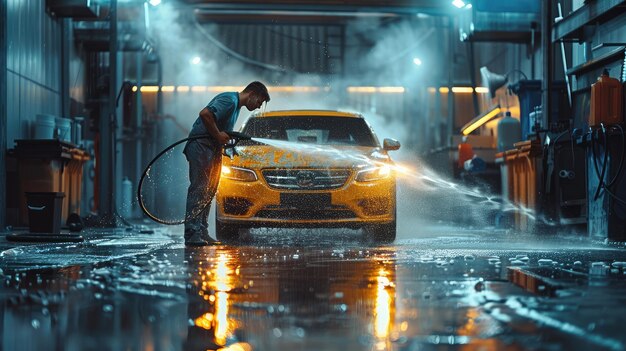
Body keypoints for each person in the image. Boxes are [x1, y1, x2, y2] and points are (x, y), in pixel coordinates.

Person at [183, 81, 270, 246]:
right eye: (259, 102)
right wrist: (217, 135)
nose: (258, 106)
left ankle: (201, 231)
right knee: (200, 189)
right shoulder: (229, 100)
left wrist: (227, 143)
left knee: (209, 191)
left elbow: (221, 131)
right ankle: (192, 234)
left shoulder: (236, 107)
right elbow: (205, 114)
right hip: (201, 147)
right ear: (252, 94)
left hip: (210, 149)